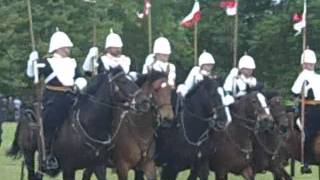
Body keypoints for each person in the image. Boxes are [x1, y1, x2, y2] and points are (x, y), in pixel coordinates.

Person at [26, 30, 87, 170]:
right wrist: (31, 62)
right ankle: (48, 153)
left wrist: (80, 83)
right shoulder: (45, 62)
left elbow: (79, 76)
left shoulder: (71, 62)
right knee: (51, 120)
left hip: (72, 95)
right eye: (66, 47)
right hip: (54, 98)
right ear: (59, 47)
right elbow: (31, 76)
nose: (69, 49)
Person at [291, 48, 320, 174]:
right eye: (307, 64)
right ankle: (306, 161)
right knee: (309, 134)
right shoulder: (302, 76)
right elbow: (294, 92)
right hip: (310, 108)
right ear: (303, 64)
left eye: (311, 63)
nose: (309, 66)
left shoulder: (318, 77)